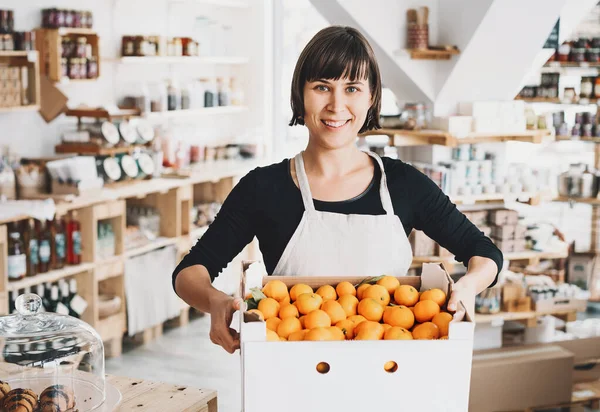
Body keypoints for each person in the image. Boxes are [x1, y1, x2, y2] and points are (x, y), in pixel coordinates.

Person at [173, 26, 503, 353]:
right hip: (293, 379)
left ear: (372, 97)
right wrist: (216, 301)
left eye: (352, 88)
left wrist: (468, 285)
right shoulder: (263, 188)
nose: (336, 104)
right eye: (322, 87)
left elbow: (484, 252)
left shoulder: (403, 184)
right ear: (300, 95)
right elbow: (190, 270)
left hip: (392, 374)